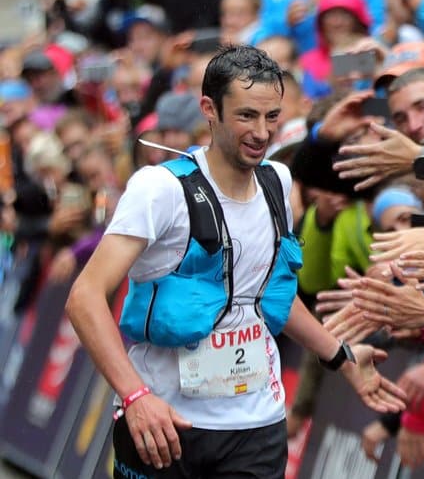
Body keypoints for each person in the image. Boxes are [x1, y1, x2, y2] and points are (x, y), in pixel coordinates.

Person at [65, 45, 405, 478]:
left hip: (256, 426)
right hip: (164, 426)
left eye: (272, 117)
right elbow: (85, 297)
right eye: (246, 116)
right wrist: (134, 397)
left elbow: (265, 293)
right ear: (209, 109)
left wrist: (340, 357)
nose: (261, 132)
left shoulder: (276, 181)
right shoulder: (159, 189)